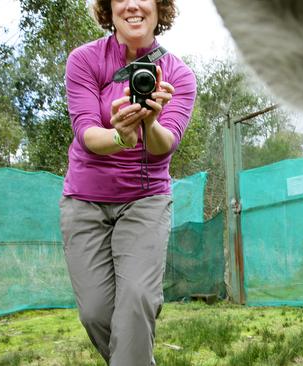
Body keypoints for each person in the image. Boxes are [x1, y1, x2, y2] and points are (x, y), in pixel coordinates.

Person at [59, 0, 196, 364]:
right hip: (85, 200)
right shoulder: (84, 60)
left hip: (144, 200)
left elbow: (164, 147)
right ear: (109, 7)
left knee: (137, 301)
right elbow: (87, 132)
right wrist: (120, 135)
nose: (133, 4)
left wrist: (150, 121)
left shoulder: (178, 76)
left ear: (159, 7)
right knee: (95, 313)